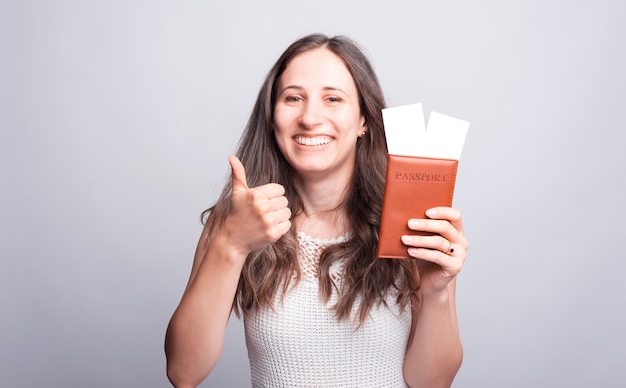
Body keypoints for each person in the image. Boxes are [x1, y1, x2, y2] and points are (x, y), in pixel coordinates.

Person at [165, 33, 468, 388]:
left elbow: (432, 383)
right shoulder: (239, 221)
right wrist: (230, 246)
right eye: (293, 97)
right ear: (272, 116)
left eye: (333, 99)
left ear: (363, 121)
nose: (310, 118)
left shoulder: (411, 222)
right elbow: (183, 372)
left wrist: (436, 292)